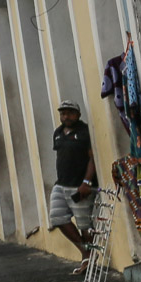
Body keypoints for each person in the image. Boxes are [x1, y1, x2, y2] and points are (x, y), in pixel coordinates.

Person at [52, 101, 99, 271]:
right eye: (63, 113)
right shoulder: (58, 132)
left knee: (85, 225)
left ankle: (89, 260)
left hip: (80, 186)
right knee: (57, 218)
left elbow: (92, 158)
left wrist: (86, 182)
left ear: (78, 114)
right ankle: (84, 251)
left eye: (70, 113)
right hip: (61, 184)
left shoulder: (85, 132)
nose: (66, 116)